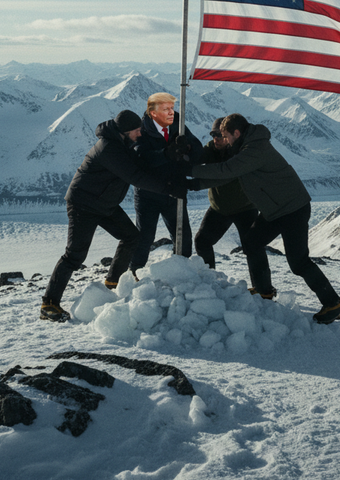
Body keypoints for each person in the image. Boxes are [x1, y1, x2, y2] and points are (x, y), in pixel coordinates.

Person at [186, 113, 340, 324]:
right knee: (252, 242)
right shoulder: (244, 147)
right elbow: (227, 173)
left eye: (226, 136)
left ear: (236, 133)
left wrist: (189, 171)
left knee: (298, 262)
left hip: (292, 210)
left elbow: (228, 170)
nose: (224, 141)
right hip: (275, 211)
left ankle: (333, 304)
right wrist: (192, 181)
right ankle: (264, 291)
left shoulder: (255, 149)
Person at [40, 110, 186, 322]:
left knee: (131, 237)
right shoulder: (109, 148)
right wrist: (169, 189)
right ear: (125, 131)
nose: (140, 134)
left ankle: (113, 282)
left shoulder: (122, 143)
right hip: (84, 204)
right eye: (136, 130)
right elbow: (135, 175)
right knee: (74, 255)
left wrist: (166, 154)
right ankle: (49, 304)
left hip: (104, 203)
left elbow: (141, 162)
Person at [129, 92, 203, 274]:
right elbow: (142, 157)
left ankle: (181, 273)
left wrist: (188, 149)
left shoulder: (178, 124)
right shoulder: (142, 130)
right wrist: (168, 153)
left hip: (174, 191)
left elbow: (198, 151)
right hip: (148, 194)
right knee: (144, 238)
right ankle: (134, 274)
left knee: (183, 238)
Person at [193, 117, 259, 270]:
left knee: (253, 248)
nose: (215, 139)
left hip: (245, 208)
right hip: (219, 208)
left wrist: (194, 181)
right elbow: (197, 157)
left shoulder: (241, 152)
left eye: (219, 135)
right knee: (202, 242)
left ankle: (262, 285)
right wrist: (186, 151)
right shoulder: (211, 149)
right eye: (213, 135)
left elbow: (225, 174)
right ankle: (209, 278)